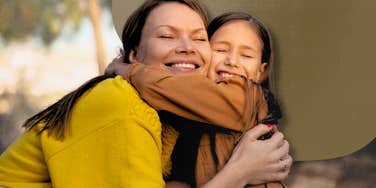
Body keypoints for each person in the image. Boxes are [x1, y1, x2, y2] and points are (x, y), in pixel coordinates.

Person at [0, 0, 290, 187]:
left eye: (200, 38)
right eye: (166, 35)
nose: (188, 47)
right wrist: (241, 171)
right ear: (134, 54)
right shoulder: (119, 103)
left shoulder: (174, 121)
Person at [106, 11, 290, 187]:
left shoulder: (249, 99)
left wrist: (127, 69)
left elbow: (170, 87)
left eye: (247, 55)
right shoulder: (192, 115)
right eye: (220, 49)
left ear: (261, 71)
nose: (232, 61)